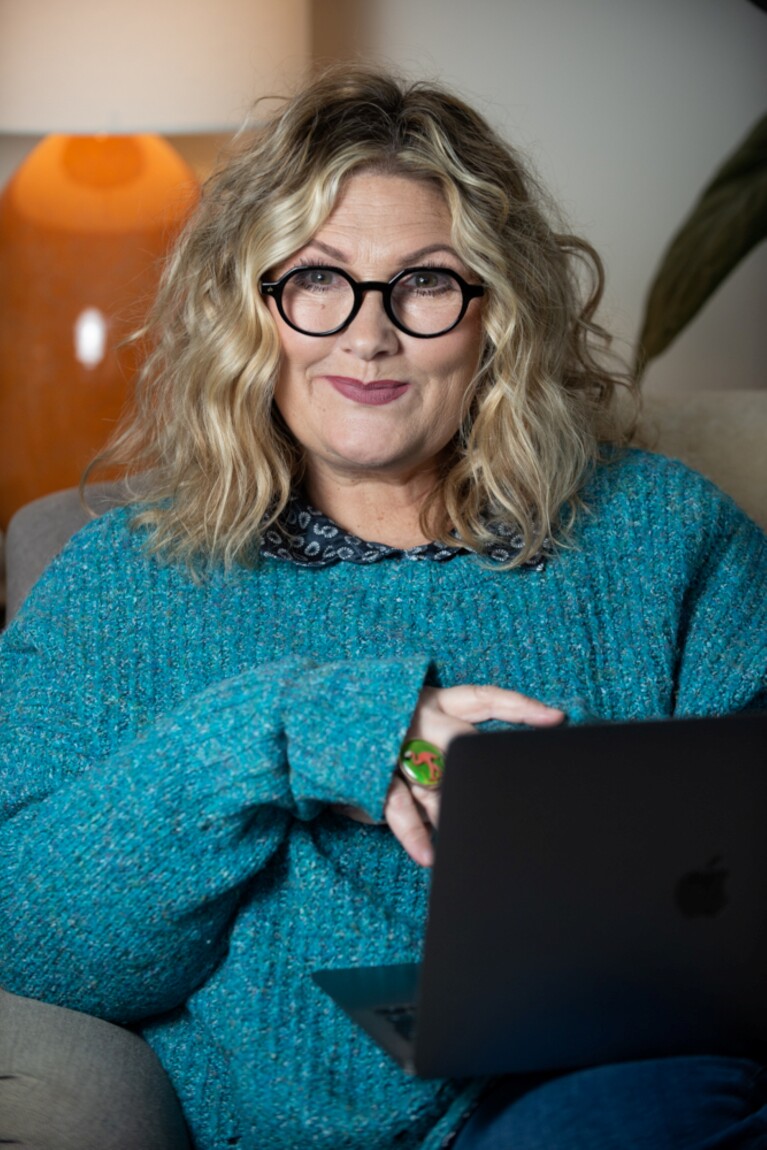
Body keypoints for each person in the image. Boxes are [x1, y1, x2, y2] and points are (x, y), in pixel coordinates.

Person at [0, 65, 766, 1150]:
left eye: (425, 283)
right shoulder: (125, 585)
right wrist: (285, 732)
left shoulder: (661, 538)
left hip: (623, 1083)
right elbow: (23, 935)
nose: (366, 336)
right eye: (315, 279)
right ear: (245, 309)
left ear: (495, 318)